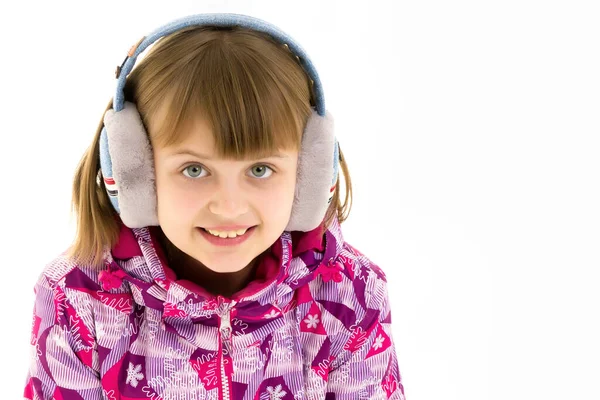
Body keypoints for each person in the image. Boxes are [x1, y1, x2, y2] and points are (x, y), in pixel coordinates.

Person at [23, 13, 406, 400]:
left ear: (309, 172)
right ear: (132, 170)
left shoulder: (352, 296)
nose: (228, 206)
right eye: (194, 169)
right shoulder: (76, 300)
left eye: (260, 169)